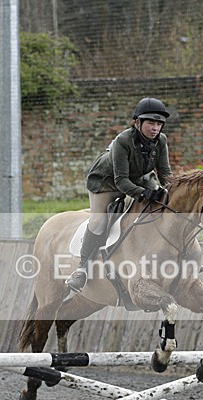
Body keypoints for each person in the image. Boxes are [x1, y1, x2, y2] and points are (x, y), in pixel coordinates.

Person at [65, 97, 173, 293]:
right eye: (150, 123)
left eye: (159, 124)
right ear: (138, 123)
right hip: (106, 182)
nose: (155, 128)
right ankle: (82, 269)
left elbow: (164, 172)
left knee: (161, 204)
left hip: (139, 178)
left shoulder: (161, 141)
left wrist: (170, 191)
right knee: (99, 222)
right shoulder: (123, 141)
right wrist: (144, 193)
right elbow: (121, 181)